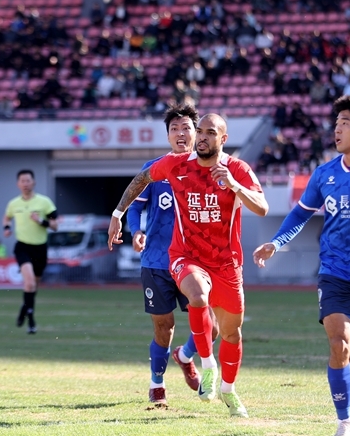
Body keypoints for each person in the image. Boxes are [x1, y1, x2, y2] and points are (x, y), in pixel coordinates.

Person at [253, 95, 350, 436]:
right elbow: (300, 213)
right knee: (339, 344)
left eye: (345, 123)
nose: (336, 129)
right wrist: (276, 242)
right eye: (336, 123)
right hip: (335, 273)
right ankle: (345, 422)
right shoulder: (325, 174)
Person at [108, 114, 269, 417]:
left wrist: (233, 185)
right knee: (193, 300)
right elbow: (141, 180)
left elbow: (262, 208)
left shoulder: (237, 169)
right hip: (182, 257)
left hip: (225, 263)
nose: (201, 136)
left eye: (209, 132)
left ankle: (226, 388)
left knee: (230, 332)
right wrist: (119, 215)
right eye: (199, 131)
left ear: (223, 138)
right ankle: (199, 368)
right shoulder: (174, 164)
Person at [125, 102, 215, 408]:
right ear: (167, 136)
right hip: (157, 261)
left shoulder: (207, 168)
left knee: (212, 325)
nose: (180, 133)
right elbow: (134, 205)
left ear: (196, 133)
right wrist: (136, 231)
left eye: (186, 128)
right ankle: (157, 384)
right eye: (174, 128)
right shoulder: (155, 168)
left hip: (195, 261)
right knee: (164, 328)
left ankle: (185, 355)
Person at [3, 170, 58, 334]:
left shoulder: (44, 202)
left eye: (28, 180)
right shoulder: (13, 204)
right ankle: (31, 322)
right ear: (18, 184)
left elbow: (55, 226)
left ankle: (24, 309)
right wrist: (6, 228)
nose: (25, 184)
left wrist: (41, 221)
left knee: (33, 287)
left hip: (40, 248)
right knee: (29, 283)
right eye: (22, 181)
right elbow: (7, 217)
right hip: (23, 247)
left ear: (33, 182)